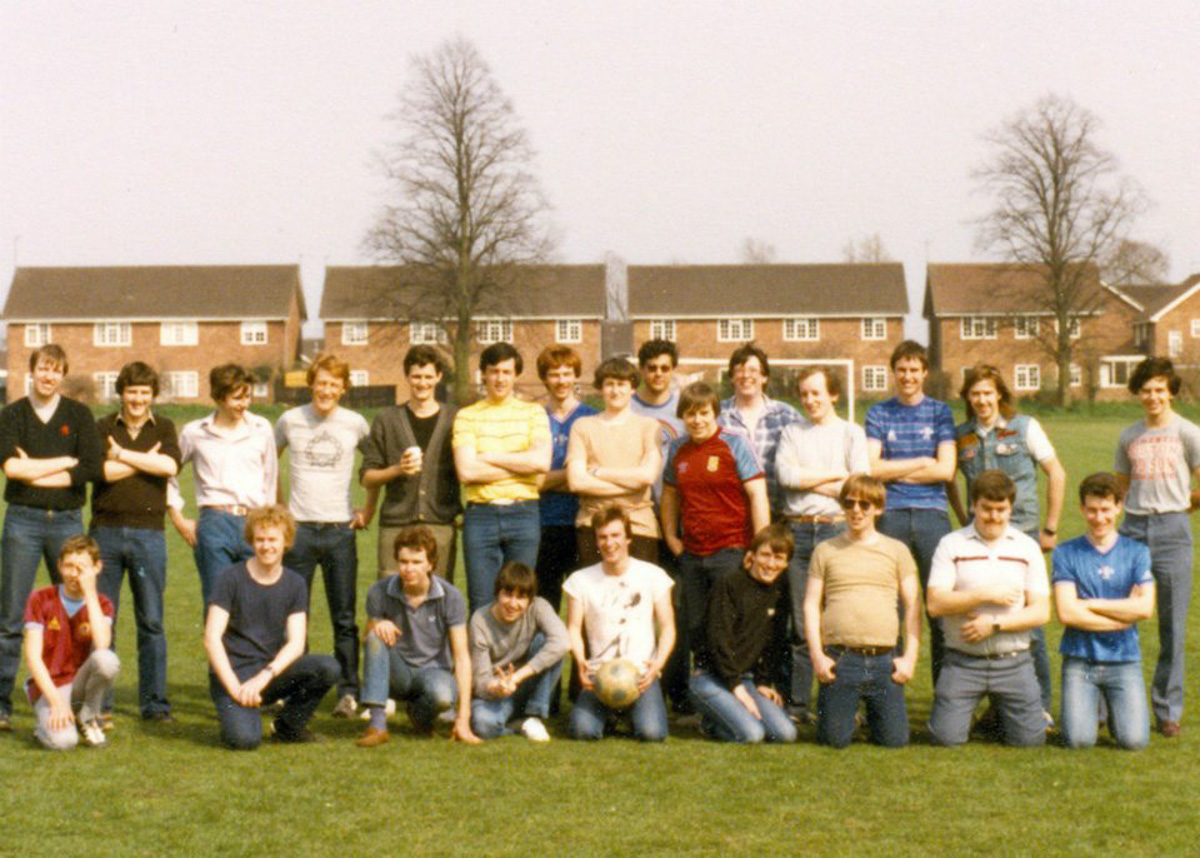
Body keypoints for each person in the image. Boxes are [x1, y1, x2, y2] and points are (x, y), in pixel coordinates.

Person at [948, 364, 1066, 724]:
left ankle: (1039, 706)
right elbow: (948, 479)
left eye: (988, 392)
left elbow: (1057, 473)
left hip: (1021, 535)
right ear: (968, 397)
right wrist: (963, 516)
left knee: (1028, 622)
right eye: (975, 393)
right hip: (979, 538)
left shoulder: (1025, 427)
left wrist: (1050, 527)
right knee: (982, 612)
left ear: (999, 393)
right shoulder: (961, 436)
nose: (982, 400)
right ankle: (992, 703)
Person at [0, 344, 102, 731]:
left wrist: (34, 471)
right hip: (22, 522)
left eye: (56, 370)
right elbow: (12, 469)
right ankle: (2, 706)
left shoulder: (78, 415)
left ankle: (80, 703)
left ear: (63, 374)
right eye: (43, 368)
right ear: (32, 372)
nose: (48, 376)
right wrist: (62, 462)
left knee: (76, 613)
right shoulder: (12, 415)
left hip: (66, 522)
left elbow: (88, 468)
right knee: (11, 617)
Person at [276, 354, 373, 719]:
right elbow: (267, 461)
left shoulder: (355, 423)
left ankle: (348, 692)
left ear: (343, 388)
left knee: (344, 616)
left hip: (339, 531)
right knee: (294, 616)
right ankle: (295, 687)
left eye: (334, 384)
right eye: (321, 383)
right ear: (311, 384)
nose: (326, 391)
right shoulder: (290, 420)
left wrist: (369, 508)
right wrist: (280, 507)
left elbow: (375, 465)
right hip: (299, 530)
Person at [926, 470, 1050, 747]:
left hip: (1014, 662)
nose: (993, 516)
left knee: (1030, 741)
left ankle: (998, 714)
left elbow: (1041, 612)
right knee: (945, 738)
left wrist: (993, 624)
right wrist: (985, 594)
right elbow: (935, 603)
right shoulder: (951, 544)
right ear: (973, 505)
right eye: (986, 509)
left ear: (1010, 508)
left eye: (1001, 509)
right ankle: (973, 713)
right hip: (963, 661)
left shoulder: (1027, 547)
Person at [775, 366, 869, 723]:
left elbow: (857, 485)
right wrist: (834, 477)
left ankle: (843, 704)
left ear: (833, 395)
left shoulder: (850, 432)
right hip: (798, 531)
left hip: (837, 531)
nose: (810, 400)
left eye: (817, 393)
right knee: (802, 624)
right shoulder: (792, 431)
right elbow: (786, 476)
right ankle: (799, 706)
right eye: (804, 393)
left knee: (840, 621)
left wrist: (809, 481)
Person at [1113, 356, 1200, 738]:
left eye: (1160, 390)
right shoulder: (1129, 435)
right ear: (1139, 393)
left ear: (1171, 392)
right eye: (1146, 390)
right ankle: (1109, 703)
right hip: (1132, 529)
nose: (1153, 397)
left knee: (1172, 627)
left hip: (1172, 530)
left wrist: (1182, 507)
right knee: (1118, 617)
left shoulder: (1188, 432)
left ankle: (1167, 710)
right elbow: (1119, 487)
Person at [204, 505, 339, 750]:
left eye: (272, 539)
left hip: (269, 674)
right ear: (251, 541)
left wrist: (265, 676)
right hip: (234, 676)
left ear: (286, 541)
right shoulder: (230, 578)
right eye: (260, 540)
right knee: (244, 740)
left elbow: (296, 643)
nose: (266, 546)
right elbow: (211, 638)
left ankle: (288, 727)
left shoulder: (295, 583)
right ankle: (237, 714)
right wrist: (235, 688)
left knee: (327, 667)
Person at [91, 361, 181, 724]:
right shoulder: (102, 427)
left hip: (149, 535)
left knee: (152, 622)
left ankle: (154, 705)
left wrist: (122, 455)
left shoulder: (166, 427)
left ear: (153, 395)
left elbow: (170, 467)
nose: (138, 399)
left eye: (145, 392)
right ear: (121, 393)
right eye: (132, 392)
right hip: (105, 533)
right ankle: (101, 704)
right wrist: (147, 461)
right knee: (103, 622)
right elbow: (100, 471)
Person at [804, 474, 919, 748]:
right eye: (849, 503)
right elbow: (810, 604)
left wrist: (909, 659)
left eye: (865, 504)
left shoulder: (897, 550)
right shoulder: (825, 550)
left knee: (894, 741)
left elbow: (914, 606)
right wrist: (818, 656)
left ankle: (869, 716)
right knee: (833, 740)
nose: (856, 510)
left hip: (885, 661)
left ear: (878, 508)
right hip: (841, 659)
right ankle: (849, 716)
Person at [865, 340, 956, 684]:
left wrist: (893, 470)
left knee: (939, 605)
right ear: (894, 372)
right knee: (891, 606)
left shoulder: (940, 412)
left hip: (933, 514)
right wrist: (920, 461)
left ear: (925, 373)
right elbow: (871, 468)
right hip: (891, 514)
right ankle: (888, 691)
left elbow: (945, 470)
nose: (908, 376)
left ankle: (945, 695)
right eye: (902, 370)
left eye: (914, 370)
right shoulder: (878, 413)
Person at [662, 381, 769, 659]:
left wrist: (759, 547)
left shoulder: (734, 442)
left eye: (704, 413)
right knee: (696, 627)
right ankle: (703, 683)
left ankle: (736, 681)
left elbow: (757, 494)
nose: (697, 420)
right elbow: (669, 495)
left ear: (715, 413)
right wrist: (671, 537)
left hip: (731, 550)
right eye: (690, 414)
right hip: (692, 553)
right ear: (682, 416)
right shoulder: (677, 448)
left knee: (728, 625)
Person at [1054, 472, 1155, 750]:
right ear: (1082, 508)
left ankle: (1113, 707)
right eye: (1092, 510)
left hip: (1124, 660)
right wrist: (1122, 618)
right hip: (1081, 660)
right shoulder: (1066, 552)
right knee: (1078, 741)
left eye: (1106, 509)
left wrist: (1089, 604)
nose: (1099, 518)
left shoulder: (1137, 552)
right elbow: (1067, 613)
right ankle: (1096, 704)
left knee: (1134, 741)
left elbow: (1145, 608)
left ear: (1119, 507)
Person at [356, 525, 480, 746]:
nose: (408, 569)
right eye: (403, 562)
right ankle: (377, 725)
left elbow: (462, 657)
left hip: (434, 671)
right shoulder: (379, 591)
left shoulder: (451, 597)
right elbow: (367, 640)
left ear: (430, 564)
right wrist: (378, 624)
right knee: (375, 636)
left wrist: (463, 719)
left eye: (416, 562)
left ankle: (420, 716)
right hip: (398, 672)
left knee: (442, 696)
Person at [453, 342, 551, 612]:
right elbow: (467, 471)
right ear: (483, 374)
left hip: (523, 514)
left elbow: (540, 462)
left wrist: (487, 456)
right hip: (481, 516)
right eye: (494, 371)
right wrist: (521, 464)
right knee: (482, 602)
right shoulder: (467, 416)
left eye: (506, 372)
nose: (500, 378)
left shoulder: (533, 413)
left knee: (520, 599)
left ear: (516, 375)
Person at [169, 364, 278, 605]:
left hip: (255, 523)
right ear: (219, 397)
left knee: (255, 601)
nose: (244, 404)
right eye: (237, 398)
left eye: (247, 396)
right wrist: (178, 518)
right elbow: (167, 473)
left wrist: (270, 524)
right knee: (218, 602)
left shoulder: (261, 428)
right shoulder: (194, 432)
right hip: (215, 524)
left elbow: (270, 478)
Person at [565, 506, 676, 742]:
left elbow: (668, 627)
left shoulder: (653, 575)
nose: (609, 543)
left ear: (628, 538)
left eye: (615, 535)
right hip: (599, 675)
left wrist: (657, 665)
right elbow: (573, 627)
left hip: (641, 676)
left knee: (652, 734)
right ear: (596, 541)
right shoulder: (580, 580)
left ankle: (628, 714)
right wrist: (581, 661)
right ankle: (613, 715)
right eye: (603, 537)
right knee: (582, 731)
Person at [688, 523, 797, 744]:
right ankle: (709, 723)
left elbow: (774, 642)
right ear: (752, 555)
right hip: (711, 678)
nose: (771, 564)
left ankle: (730, 715)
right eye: (765, 555)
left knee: (785, 734)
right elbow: (718, 640)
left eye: (779, 558)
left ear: (786, 563)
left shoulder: (779, 592)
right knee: (752, 734)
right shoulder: (730, 584)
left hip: (745, 679)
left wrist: (763, 682)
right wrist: (735, 687)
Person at [360, 344, 461, 580]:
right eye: (416, 376)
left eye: (428, 376)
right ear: (407, 376)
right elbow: (367, 477)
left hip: (440, 523)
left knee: (438, 593)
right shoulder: (387, 420)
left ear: (439, 376)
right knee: (390, 592)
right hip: (396, 523)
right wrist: (398, 469)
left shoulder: (455, 418)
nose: (422, 383)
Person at [631, 338, 690, 711]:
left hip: (679, 520)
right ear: (641, 370)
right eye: (651, 368)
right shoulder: (628, 406)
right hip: (638, 517)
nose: (657, 374)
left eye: (664, 368)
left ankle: (677, 692)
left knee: (675, 606)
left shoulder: (685, 408)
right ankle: (635, 686)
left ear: (673, 370)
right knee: (636, 606)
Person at [22, 535, 119, 749]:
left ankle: (87, 717)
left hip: (80, 685)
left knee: (107, 660)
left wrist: (90, 592)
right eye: (69, 566)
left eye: (82, 568)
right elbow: (33, 657)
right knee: (64, 742)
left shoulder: (102, 603)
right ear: (59, 566)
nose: (75, 574)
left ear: (97, 567)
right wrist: (57, 701)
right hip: (50, 687)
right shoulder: (40, 598)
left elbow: (102, 644)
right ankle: (43, 727)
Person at [567, 356, 661, 565]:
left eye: (621, 384)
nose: (615, 390)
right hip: (593, 525)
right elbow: (577, 482)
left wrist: (598, 472)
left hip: (638, 525)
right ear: (600, 388)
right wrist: (631, 485)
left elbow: (647, 477)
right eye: (609, 384)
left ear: (632, 388)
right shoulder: (582, 426)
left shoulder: (649, 426)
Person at [468, 561, 569, 742]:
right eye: (508, 594)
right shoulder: (480, 620)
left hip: (525, 684)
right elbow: (480, 681)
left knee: (547, 642)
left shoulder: (539, 607)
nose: (513, 604)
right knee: (483, 725)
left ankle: (534, 715)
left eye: (521, 597)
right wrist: (497, 686)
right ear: (497, 593)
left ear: (530, 600)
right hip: (496, 691)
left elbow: (563, 642)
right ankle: (519, 724)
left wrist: (516, 677)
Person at [533, 345, 596, 611]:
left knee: (585, 605)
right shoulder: (533, 417)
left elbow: (593, 474)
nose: (561, 381)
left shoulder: (591, 417)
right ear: (544, 378)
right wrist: (574, 476)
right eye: (554, 374)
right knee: (543, 604)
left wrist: (549, 479)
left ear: (576, 375)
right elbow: (531, 480)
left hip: (581, 521)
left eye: (567, 373)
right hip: (542, 522)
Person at [718, 342, 799, 514]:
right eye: (739, 370)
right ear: (731, 377)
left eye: (753, 370)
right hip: (730, 515)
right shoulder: (717, 415)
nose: (746, 375)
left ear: (765, 377)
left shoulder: (787, 416)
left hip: (777, 514)